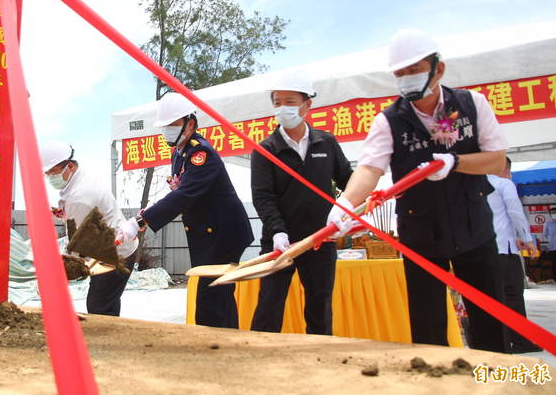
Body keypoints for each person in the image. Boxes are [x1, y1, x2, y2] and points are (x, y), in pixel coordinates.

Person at [326, 29, 509, 352]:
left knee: (490, 323)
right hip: (420, 234)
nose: (407, 79)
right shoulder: (389, 120)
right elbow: (370, 168)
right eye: (400, 74)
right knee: (427, 329)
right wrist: (344, 204)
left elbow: (497, 161)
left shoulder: (472, 104)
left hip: (474, 229)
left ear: (438, 69)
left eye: (414, 71)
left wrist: (455, 162)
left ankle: (494, 384)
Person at [116, 93, 254, 328]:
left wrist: (139, 221)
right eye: (165, 126)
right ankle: (216, 341)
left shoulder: (202, 154)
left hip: (224, 233)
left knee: (214, 294)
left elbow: (183, 195)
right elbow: (184, 190)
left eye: (173, 125)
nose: (167, 131)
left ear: (190, 123)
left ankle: (224, 346)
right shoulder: (179, 152)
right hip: (207, 232)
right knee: (211, 293)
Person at [249, 71, 353, 335]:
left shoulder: (326, 143)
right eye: (277, 102)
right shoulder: (265, 150)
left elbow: (348, 180)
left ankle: (320, 359)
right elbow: (263, 196)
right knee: (269, 304)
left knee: (320, 305)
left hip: (320, 240)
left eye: (290, 101)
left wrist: (347, 209)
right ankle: (258, 355)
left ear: (307, 104)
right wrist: (277, 231)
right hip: (279, 242)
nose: (283, 108)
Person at [41, 140, 139, 316]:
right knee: (107, 300)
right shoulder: (79, 177)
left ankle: (107, 341)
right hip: (111, 246)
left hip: (115, 255)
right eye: (47, 173)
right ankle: (113, 331)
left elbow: (77, 246)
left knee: (98, 305)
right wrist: (67, 213)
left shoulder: (80, 196)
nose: (50, 178)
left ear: (69, 166)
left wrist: (59, 274)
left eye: (53, 172)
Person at [487, 157, 542, 353]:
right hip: (504, 250)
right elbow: (515, 212)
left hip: (484, 250)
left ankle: (499, 342)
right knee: (513, 296)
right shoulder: (504, 184)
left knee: (492, 298)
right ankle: (519, 341)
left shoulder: (477, 184)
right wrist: (527, 239)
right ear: (504, 169)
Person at [546, 207, 556, 284]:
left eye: (555, 213)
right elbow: (545, 235)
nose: (554, 215)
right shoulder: (548, 224)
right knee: (554, 265)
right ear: (550, 215)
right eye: (552, 213)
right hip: (553, 248)